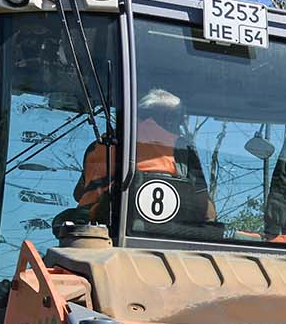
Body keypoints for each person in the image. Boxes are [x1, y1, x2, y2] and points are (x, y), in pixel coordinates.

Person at [74, 88, 213, 224]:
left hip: (92, 231)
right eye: (179, 120)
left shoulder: (99, 145)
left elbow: (79, 193)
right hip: (159, 231)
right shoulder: (181, 148)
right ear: (171, 119)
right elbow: (206, 211)